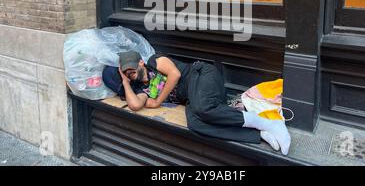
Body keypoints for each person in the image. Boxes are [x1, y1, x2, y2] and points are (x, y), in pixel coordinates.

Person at [102, 50, 291, 155]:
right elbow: (135, 105)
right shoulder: (141, 90)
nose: (131, 74)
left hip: (201, 75)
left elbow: (175, 74)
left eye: (132, 70)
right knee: (195, 124)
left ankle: (269, 122)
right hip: (194, 97)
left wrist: (158, 100)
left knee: (202, 108)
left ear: (140, 63)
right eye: (127, 74)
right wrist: (126, 83)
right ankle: (259, 134)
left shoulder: (154, 61)